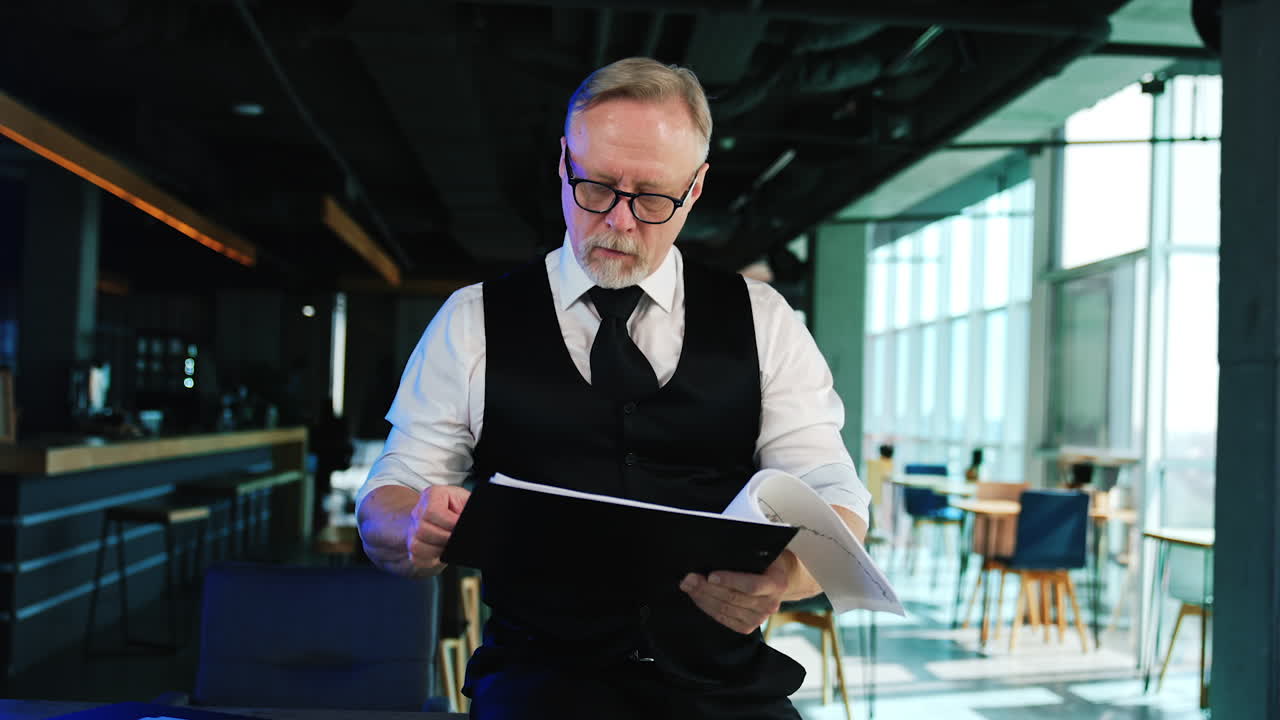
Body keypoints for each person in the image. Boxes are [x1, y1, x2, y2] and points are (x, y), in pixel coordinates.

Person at [356, 57, 870, 719]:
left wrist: (787, 577)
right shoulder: (472, 320)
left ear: (697, 188)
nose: (620, 222)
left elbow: (831, 489)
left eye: (654, 198)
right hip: (537, 688)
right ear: (562, 164)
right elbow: (392, 489)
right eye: (596, 187)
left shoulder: (764, 321)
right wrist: (407, 526)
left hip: (723, 693)